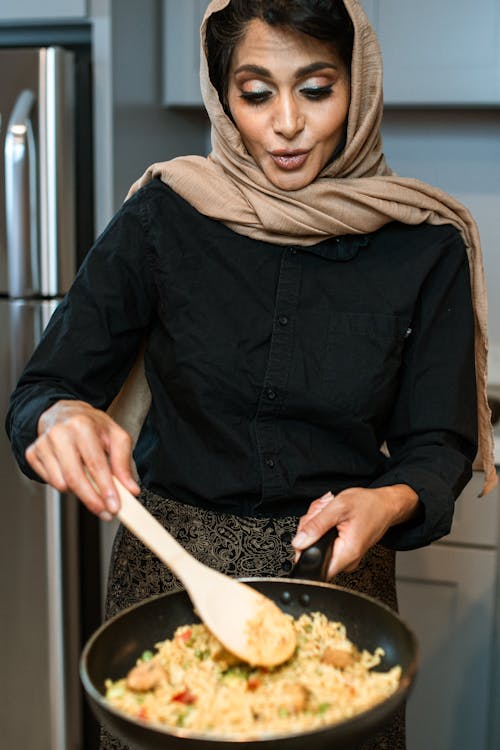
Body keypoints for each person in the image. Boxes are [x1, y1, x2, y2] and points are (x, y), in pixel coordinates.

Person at [5, 1, 497, 748]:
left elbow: (439, 442)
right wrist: (57, 415)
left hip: (338, 592)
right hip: (167, 587)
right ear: (223, 95)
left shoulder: (423, 245)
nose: (286, 123)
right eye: (257, 92)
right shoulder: (163, 215)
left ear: (358, 87)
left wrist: (390, 500)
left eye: (317, 88)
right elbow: (43, 389)